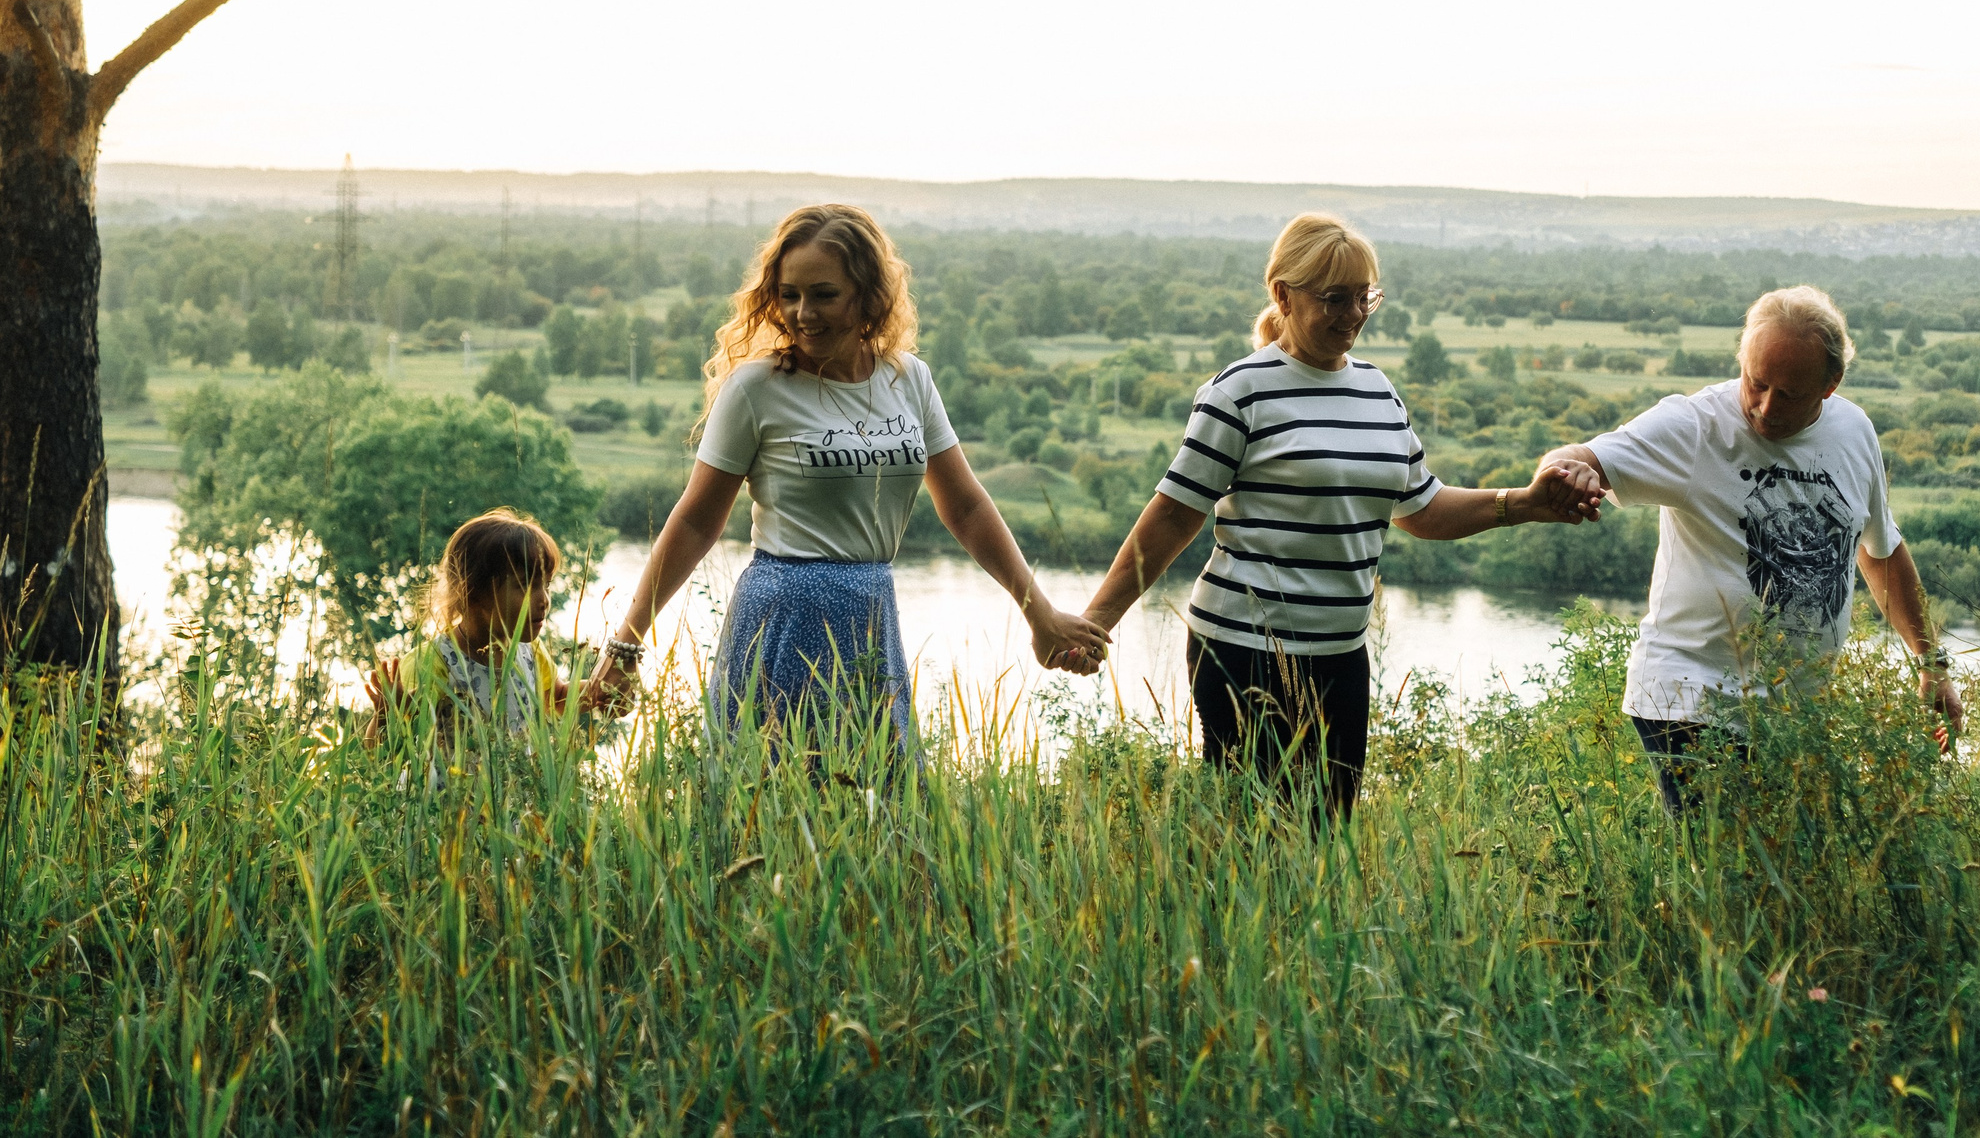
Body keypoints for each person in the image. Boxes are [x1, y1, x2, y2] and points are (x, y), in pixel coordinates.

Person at [1076, 213, 1605, 816]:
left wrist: (1528, 503)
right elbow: (1173, 515)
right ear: (1283, 294)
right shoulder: (1239, 392)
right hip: (1245, 651)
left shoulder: (1379, 393)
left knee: (1328, 836)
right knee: (1255, 836)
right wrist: (1097, 621)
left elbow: (1422, 507)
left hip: (1341, 654)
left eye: (1365, 298)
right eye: (1335, 299)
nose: (1354, 315)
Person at [580, 204, 1108, 766]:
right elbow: (694, 520)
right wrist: (626, 643)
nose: (802, 314)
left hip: (872, 611)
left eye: (823, 294)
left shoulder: (909, 380)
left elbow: (967, 505)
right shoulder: (756, 388)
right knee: (775, 809)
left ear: (869, 296)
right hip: (782, 617)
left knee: (879, 817)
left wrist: (1039, 612)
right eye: (788, 294)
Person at [1538, 285, 1963, 813]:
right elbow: (1579, 455)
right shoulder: (1695, 427)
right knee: (1740, 864)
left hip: (1797, 712)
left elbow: (1879, 551)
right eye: (1755, 382)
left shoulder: (1854, 432)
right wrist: (1567, 470)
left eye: (1787, 394)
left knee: (1797, 870)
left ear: (1830, 386)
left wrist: (1932, 662)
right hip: (1691, 698)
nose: (1763, 407)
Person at [364, 508, 572, 743]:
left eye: (546, 584)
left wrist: (601, 693)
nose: (544, 599)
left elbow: (558, 697)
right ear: (472, 593)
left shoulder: (530, 653)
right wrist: (386, 717)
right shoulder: (433, 664)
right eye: (525, 586)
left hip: (518, 781)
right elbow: (379, 758)